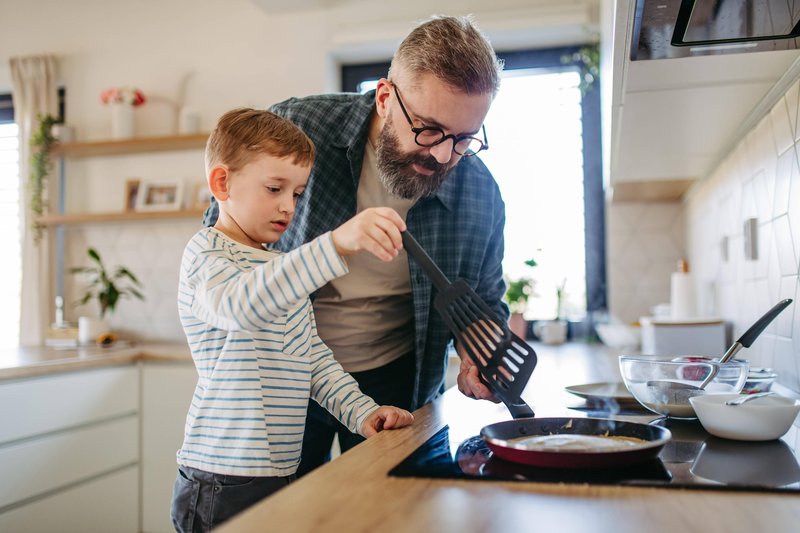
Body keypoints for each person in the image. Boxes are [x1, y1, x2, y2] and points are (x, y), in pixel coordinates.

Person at [203, 15, 507, 476]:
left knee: (388, 512)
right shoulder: (295, 130)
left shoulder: (479, 194)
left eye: (464, 139)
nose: (444, 155)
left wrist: (478, 353)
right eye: (428, 129)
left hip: (394, 378)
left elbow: (483, 303)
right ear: (385, 98)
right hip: (278, 373)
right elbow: (218, 248)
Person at [172, 108, 413, 532]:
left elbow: (311, 357)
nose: (288, 206)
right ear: (222, 183)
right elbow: (239, 305)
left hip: (280, 472)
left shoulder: (279, 267)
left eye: (298, 193)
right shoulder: (206, 256)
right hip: (220, 479)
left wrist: (362, 412)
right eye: (274, 188)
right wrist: (335, 244)